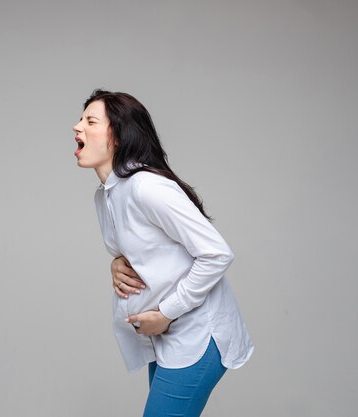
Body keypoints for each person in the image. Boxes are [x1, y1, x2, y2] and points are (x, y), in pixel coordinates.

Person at [73, 89, 253, 417]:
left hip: (197, 334)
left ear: (117, 135)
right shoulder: (106, 196)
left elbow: (216, 254)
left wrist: (166, 313)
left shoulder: (147, 188)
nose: (76, 127)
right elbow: (136, 250)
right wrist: (116, 264)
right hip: (165, 338)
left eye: (90, 121)